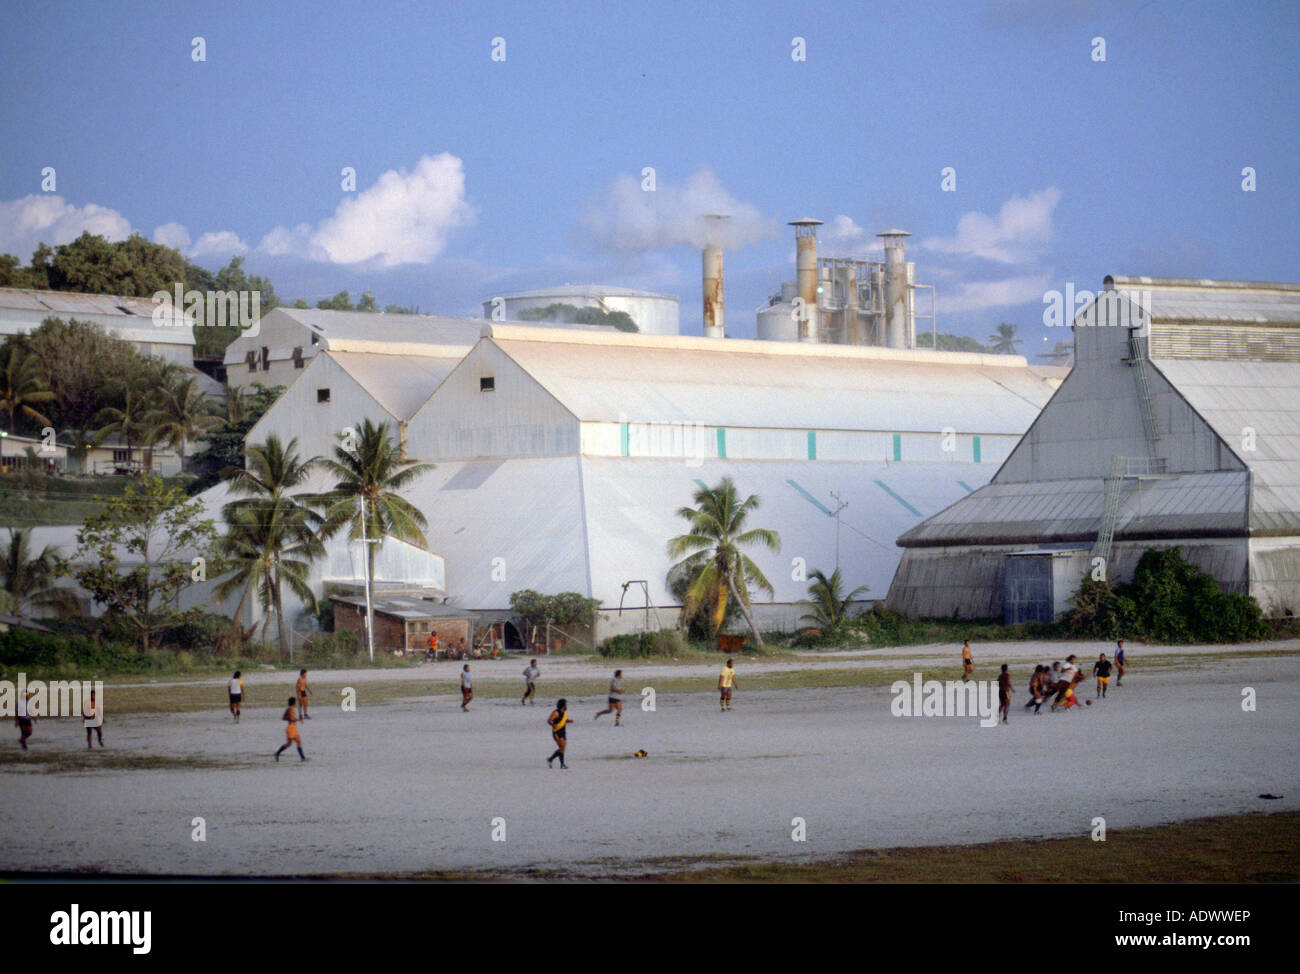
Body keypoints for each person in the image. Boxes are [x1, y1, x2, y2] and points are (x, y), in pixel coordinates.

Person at [274, 696, 306, 762]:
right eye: (295, 702)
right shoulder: (290, 709)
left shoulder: (289, 709)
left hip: (293, 727)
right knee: (289, 743)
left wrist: (293, 719)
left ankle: (303, 757)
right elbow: (291, 718)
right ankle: (277, 753)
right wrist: (298, 719)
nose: (296, 703)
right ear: (294, 703)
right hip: (291, 728)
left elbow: (284, 717)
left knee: (298, 742)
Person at [547, 698, 570, 769]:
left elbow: (563, 720)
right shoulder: (556, 713)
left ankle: (550, 759)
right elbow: (549, 720)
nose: (567, 706)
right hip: (557, 732)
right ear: (563, 705)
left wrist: (568, 721)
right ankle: (562, 764)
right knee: (562, 747)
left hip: (563, 732)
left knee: (562, 748)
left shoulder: (564, 713)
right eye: (566, 704)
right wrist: (552, 725)